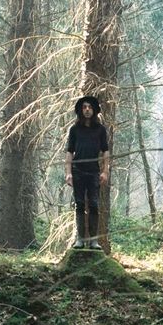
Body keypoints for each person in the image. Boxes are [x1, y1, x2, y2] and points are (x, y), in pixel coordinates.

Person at [65, 95, 109, 249]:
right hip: (78, 171)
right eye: (84, 107)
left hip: (94, 172)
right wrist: (68, 172)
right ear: (80, 110)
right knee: (79, 204)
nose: (87, 110)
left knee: (94, 204)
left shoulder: (100, 130)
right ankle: (80, 239)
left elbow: (105, 151)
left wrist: (105, 171)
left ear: (94, 110)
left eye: (90, 107)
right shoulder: (74, 130)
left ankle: (94, 241)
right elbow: (69, 152)